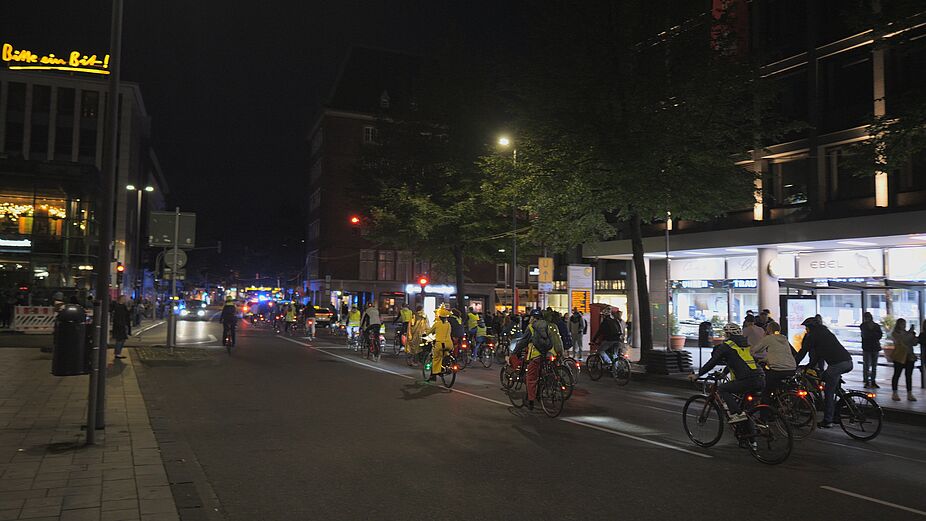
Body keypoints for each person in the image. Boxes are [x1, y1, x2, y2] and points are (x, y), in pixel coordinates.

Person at [689, 323, 764, 423]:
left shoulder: (727, 346)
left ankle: (736, 414)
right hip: (761, 377)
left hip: (747, 379)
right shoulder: (745, 344)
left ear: (728, 334)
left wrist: (697, 375)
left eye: (725, 334)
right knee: (745, 410)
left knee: (723, 389)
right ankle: (748, 431)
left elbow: (712, 362)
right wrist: (724, 373)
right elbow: (737, 361)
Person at [801, 317, 853, 428]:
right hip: (848, 361)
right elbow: (818, 355)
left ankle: (828, 420)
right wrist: (809, 366)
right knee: (825, 377)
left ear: (811, 327)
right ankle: (847, 401)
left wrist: (794, 365)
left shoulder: (813, 336)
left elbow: (803, 351)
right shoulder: (826, 333)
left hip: (836, 365)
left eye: (807, 327)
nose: (806, 330)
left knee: (828, 392)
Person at [512, 309, 563, 410]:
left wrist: (514, 352)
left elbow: (523, 342)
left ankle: (531, 401)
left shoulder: (531, 327)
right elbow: (557, 340)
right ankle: (550, 385)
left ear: (533, 318)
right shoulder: (549, 325)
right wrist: (560, 353)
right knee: (547, 372)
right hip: (550, 355)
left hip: (537, 356)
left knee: (531, 378)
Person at [750, 321, 796, 405]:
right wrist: (764, 359)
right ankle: (779, 401)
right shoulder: (784, 338)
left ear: (768, 330)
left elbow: (755, 350)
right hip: (792, 368)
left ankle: (766, 414)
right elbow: (776, 353)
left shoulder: (769, 338)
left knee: (766, 390)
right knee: (777, 385)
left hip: (778, 369)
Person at [889, 318, 918, 402]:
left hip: (909, 356)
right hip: (899, 356)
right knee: (897, 374)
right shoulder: (895, 333)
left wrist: (914, 337)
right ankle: (895, 393)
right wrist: (910, 333)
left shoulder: (907, 333)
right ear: (898, 325)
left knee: (909, 375)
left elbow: (913, 343)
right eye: (902, 324)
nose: (904, 326)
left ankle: (909, 393)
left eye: (905, 324)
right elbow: (902, 340)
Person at [427, 307, 453, 381]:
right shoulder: (448, 324)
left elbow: (429, 331)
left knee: (436, 358)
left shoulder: (437, 324)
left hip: (440, 344)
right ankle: (445, 366)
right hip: (449, 344)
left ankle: (435, 373)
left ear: (439, 317)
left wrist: (424, 335)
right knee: (445, 354)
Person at [859, 311, 883, 388]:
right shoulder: (866, 326)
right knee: (867, 365)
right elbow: (867, 335)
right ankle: (867, 381)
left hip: (871, 347)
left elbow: (878, 335)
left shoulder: (870, 326)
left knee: (872, 366)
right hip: (870, 347)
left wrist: (871, 335)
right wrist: (874, 335)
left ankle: (872, 381)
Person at [111, 295, 131, 359]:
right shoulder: (118, 307)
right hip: (120, 325)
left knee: (122, 339)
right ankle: (117, 353)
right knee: (120, 339)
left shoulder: (122, 306)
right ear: (120, 299)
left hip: (122, 324)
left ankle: (118, 353)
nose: (125, 300)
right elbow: (120, 317)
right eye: (124, 299)